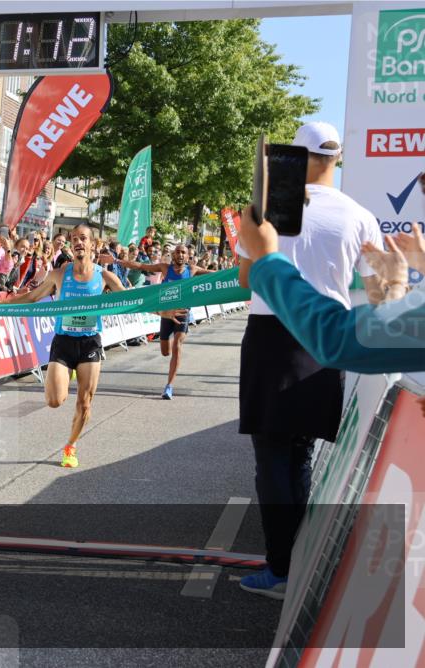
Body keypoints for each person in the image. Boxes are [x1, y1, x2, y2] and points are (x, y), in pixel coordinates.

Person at [234, 121, 385, 599]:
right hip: (326, 336)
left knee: (273, 457)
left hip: (272, 333)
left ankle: (282, 569)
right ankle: (297, 561)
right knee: (300, 453)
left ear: (292, 158)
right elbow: (381, 288)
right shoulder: (360, 215)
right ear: (336, 159)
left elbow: (245, 279)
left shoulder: (264, 211)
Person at [0, 224, 126, 467]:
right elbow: (32, 297)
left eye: (83, 238)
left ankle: (70, 445)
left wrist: (163, 310)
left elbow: (132, 299)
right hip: (63, 342)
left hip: (90, 342)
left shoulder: (104, 277)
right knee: (54, 401)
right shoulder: (59, 274)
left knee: (85, 402)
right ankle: (65, 374)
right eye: (74, 239)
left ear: (92, 245)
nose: (78, 242)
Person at [238, 203, 425, 374]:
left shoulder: (265, 211)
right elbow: (385, 326)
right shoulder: (360, 217)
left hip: (301, 336)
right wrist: (398, 283)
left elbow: (347, 339)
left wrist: (266, 258)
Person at [117, 243, 214, 399]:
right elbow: (142, 265)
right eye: (178, 252)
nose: (181, 255)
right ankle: (168, 345)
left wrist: (238, 273)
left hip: (183, 313)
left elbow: (214, 274)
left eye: (184, 252)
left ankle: (169, 386)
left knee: (177, 345)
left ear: (188, 256)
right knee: (165, 352)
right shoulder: (165, 268)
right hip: (166, 314)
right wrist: (118, 261)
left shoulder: (192, 270)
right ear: (173, 254)